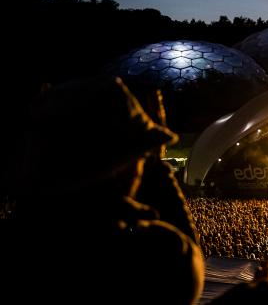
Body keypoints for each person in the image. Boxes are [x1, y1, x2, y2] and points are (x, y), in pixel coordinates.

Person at [1, 77, 204, 304]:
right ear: (120, 168)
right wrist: (155, 165)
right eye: (138, 158)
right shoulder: (145, 254)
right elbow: (187, 271)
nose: (140, 166)